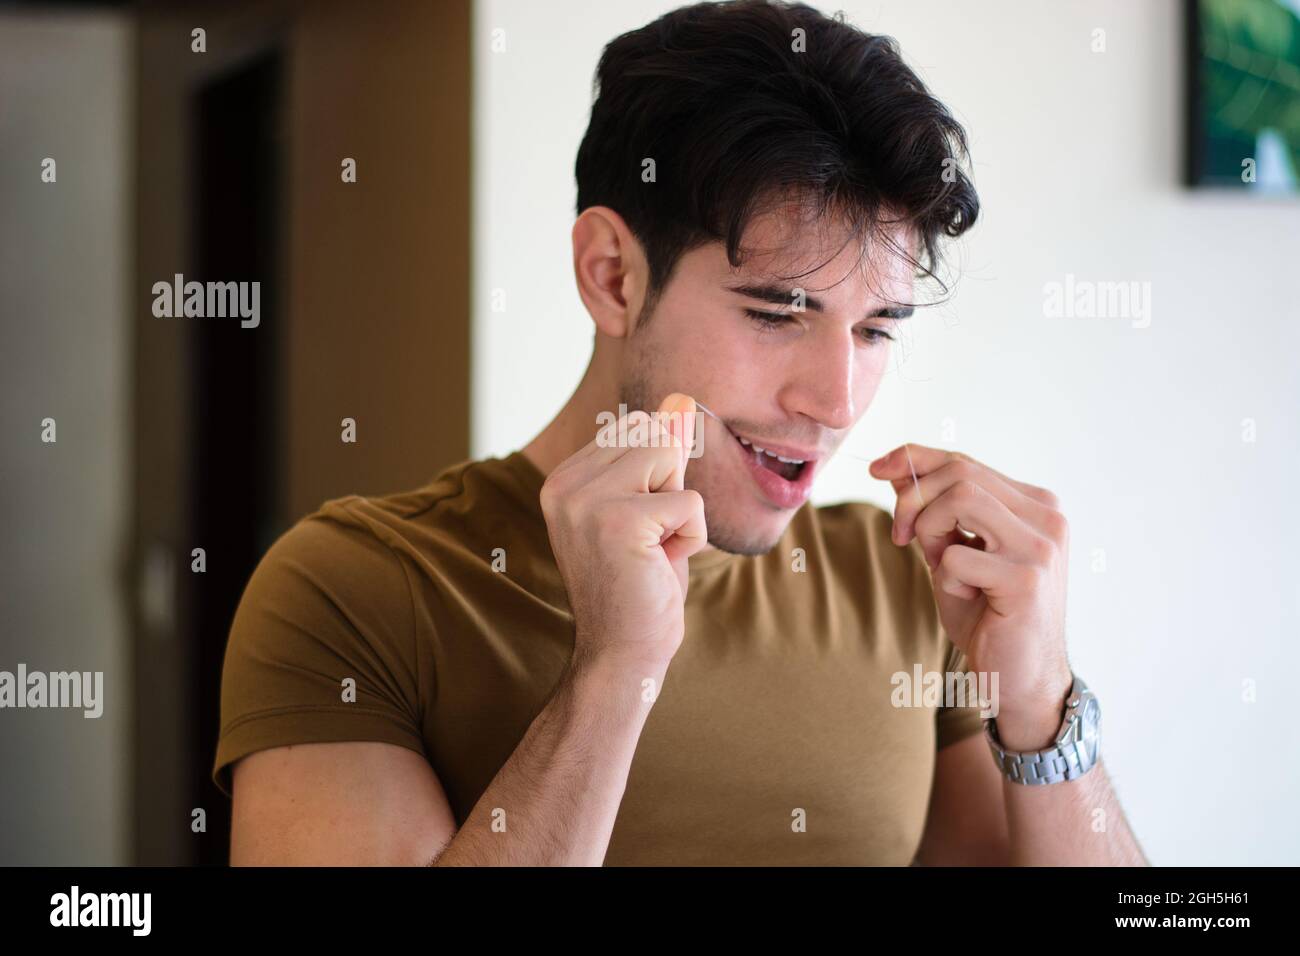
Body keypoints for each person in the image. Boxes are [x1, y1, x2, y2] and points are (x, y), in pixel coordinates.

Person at [214, 0, 1145, 866]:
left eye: (875, 329)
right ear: (613, 275)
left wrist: (1042, 709)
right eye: (778, 312)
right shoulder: (357, 588)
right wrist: (613, 674)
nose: (837, 399)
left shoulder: (909, 583)